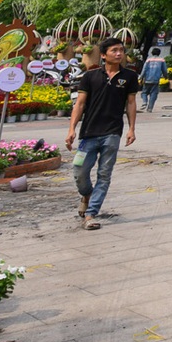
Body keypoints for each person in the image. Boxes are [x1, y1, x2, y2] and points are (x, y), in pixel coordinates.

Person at [66, 39, 138, 229]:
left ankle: (91, 214)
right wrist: (72, 129)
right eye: (114, 50)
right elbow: (79, 104)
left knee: (104, 174)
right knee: (79, 170)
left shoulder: (129, 77)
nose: (119, 54)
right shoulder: (90, 77)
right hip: (89, 132)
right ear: (104, 55)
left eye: (121, 50)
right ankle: (86, 194)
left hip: (112, 133)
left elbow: (131, 103)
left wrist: (131, 128)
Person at [138, 47, 166, 113]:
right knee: (153, 94)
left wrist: (140, 77)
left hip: (147, 79)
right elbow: (164, 70)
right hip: (156, 80)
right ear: (159, 53)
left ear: (152, 53)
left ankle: (144, 102)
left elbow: (144, 69)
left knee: (144, 92)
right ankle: (150, 108)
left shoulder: (148, 60)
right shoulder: (162, 60)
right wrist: (166, 76)